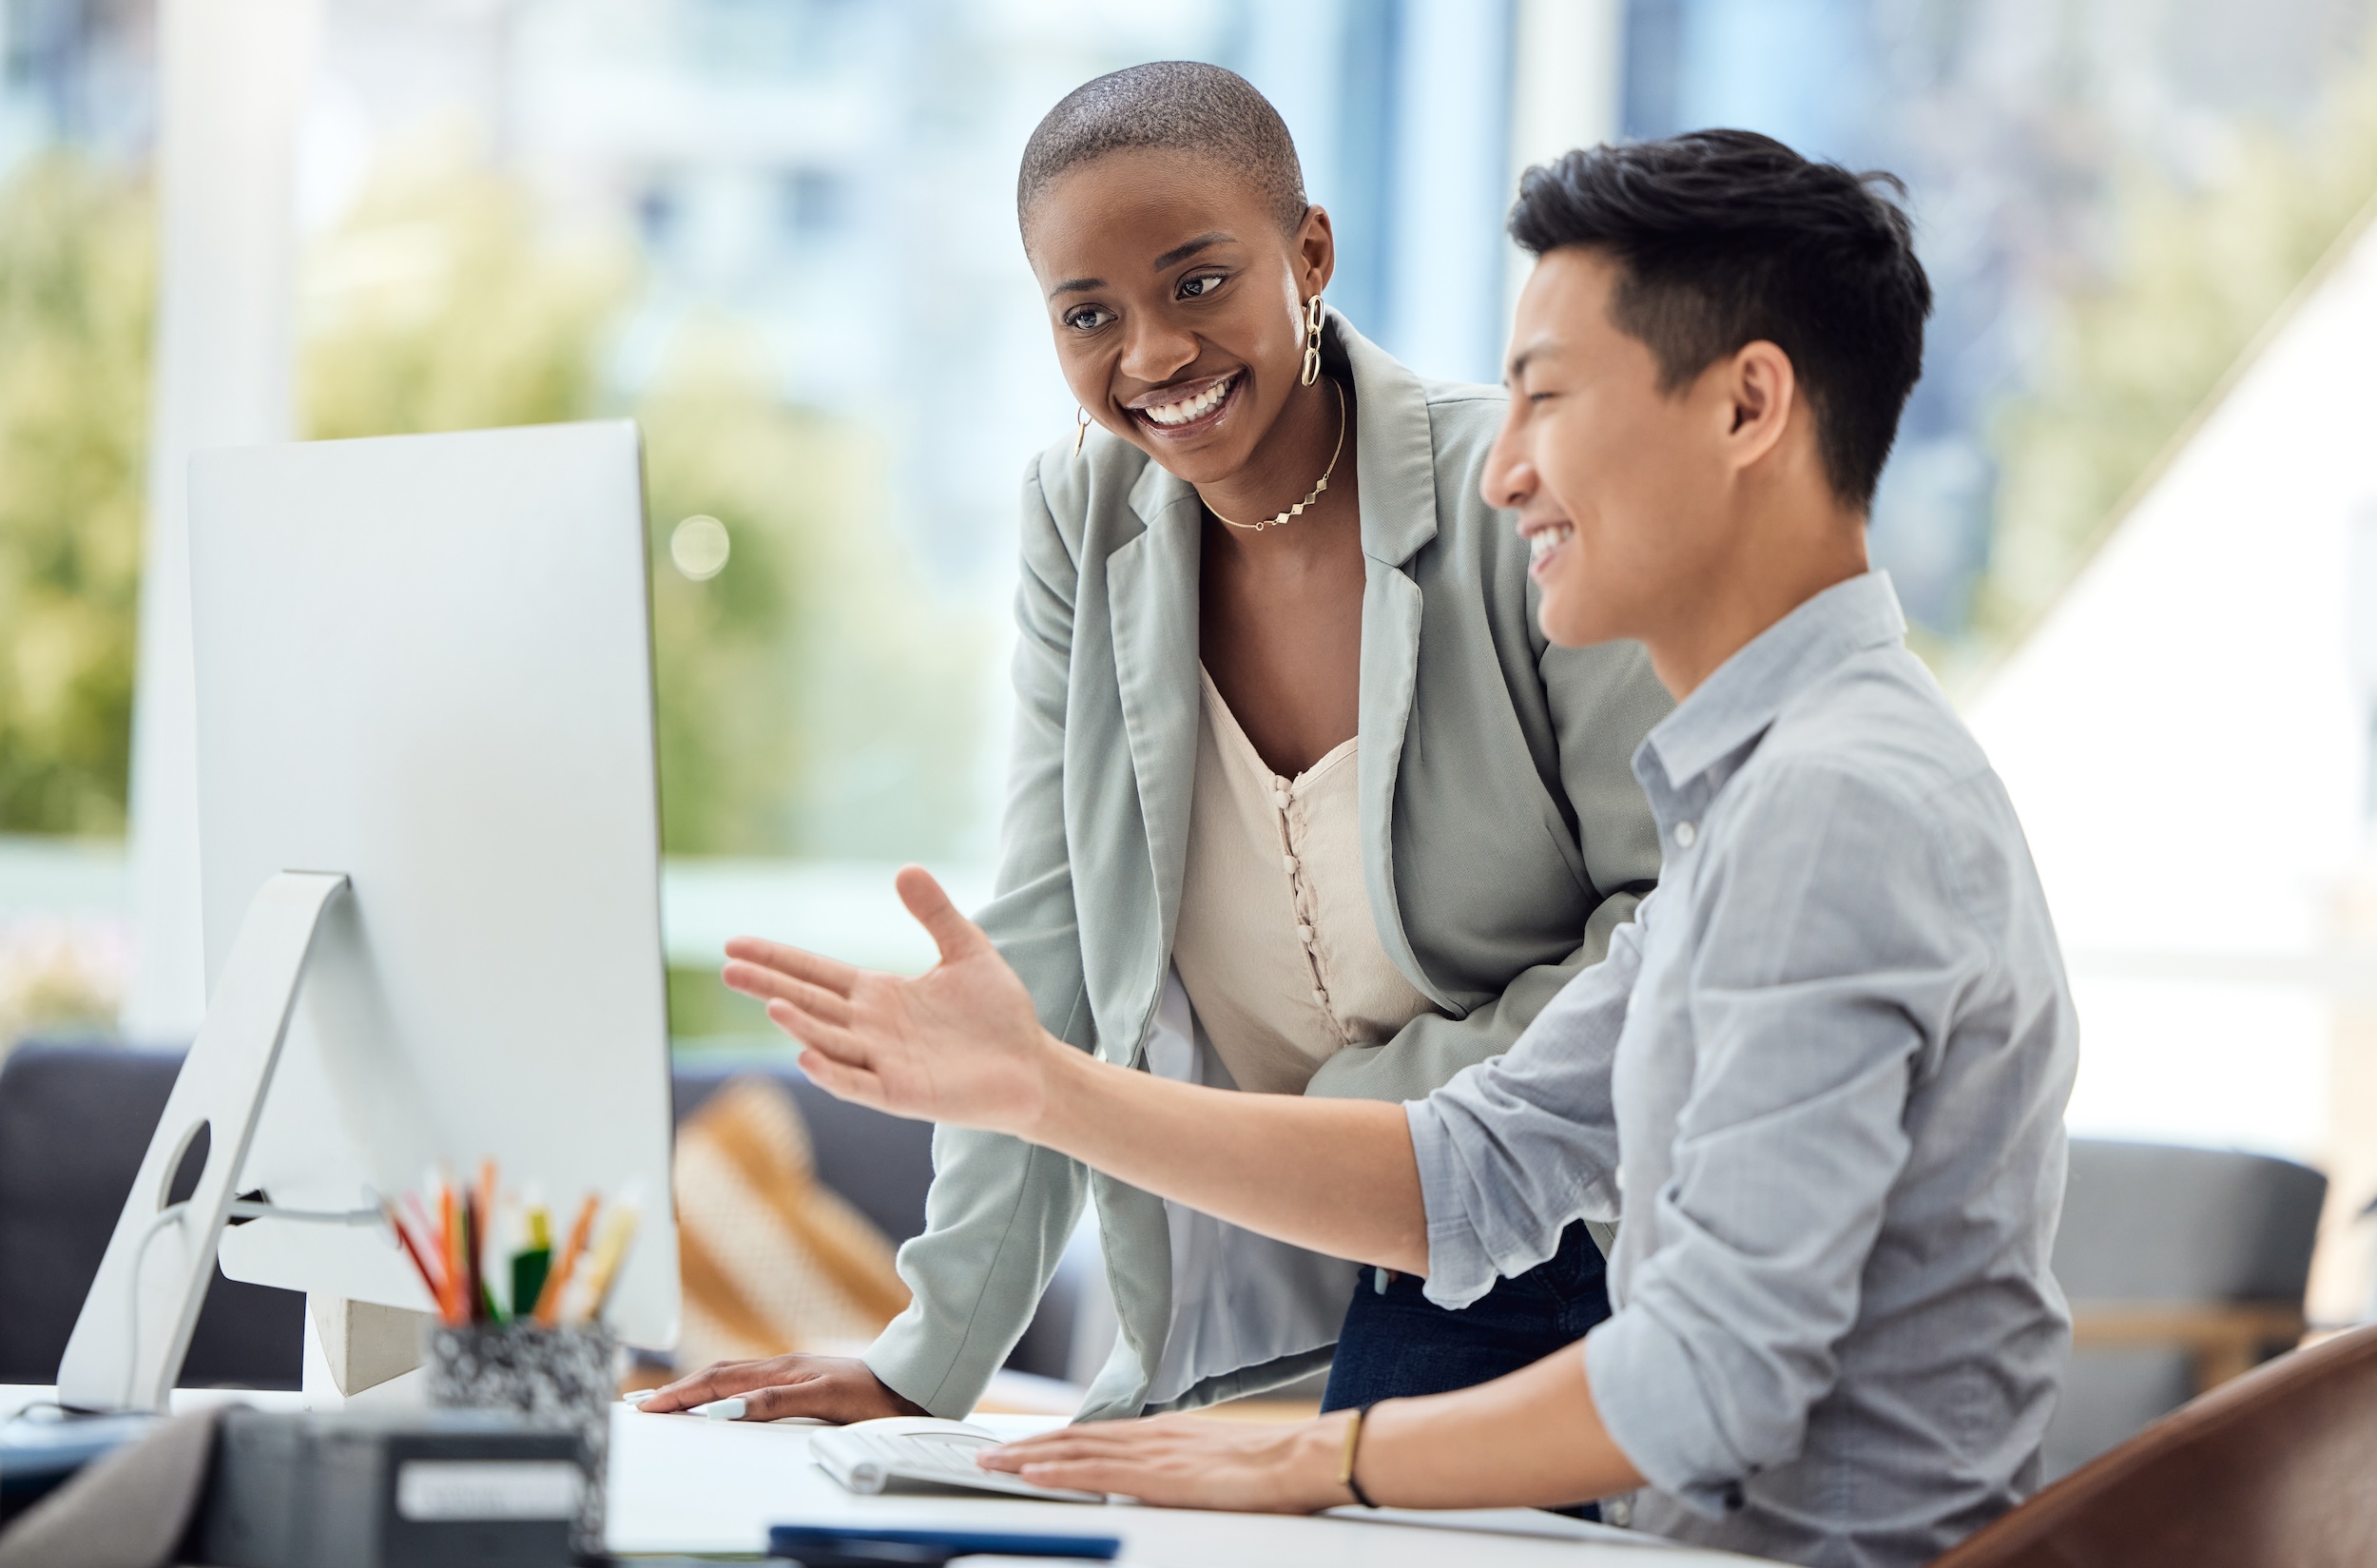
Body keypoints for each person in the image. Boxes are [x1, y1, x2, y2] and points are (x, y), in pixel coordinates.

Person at [720, 130, 2079, 1568]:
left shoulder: (1835, 805)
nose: (1502, 473)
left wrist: (1317, 1461)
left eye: (1548, 397)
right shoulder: (1773, 785)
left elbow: (1711, 1372)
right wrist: (1044, 1088)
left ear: (1748, 408)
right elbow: (1477, 1171)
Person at [642, 63, 1669, 1426]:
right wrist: (924, 1363)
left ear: (1308, 252)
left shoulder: (1517, 497)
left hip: (1544, 1244)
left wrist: (1367, 1118)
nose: (1152, 355)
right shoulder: (1085, 520)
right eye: (1089, 314)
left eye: (1196, 283)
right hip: (1237, 1298)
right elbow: (1048, 944)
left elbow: (1678, 919)